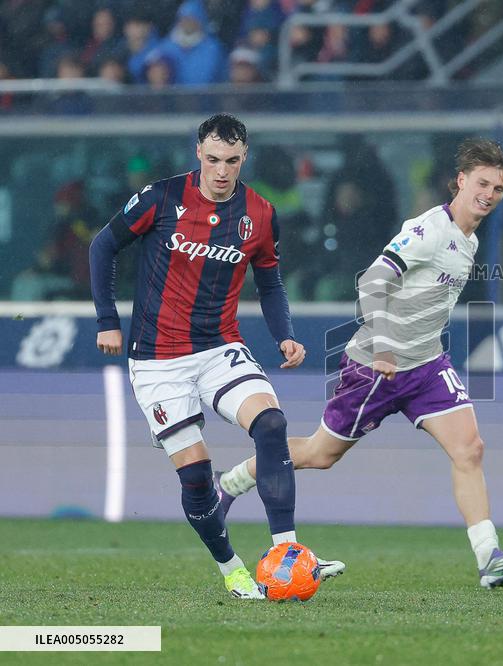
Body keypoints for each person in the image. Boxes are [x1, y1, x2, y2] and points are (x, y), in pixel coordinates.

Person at [217, 138, 503, 589]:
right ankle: (230, 482)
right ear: (461, 181)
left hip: (427, 364)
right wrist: (386, 347)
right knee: (319, 453)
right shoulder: (430, 229)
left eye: (499, 188)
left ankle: (490, 559)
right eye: (482, 183)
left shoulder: (467, 241)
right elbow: (372, 281)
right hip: (375, 367)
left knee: (470, 449)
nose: (489, 194)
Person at [89, 113, 343, 600]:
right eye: (212, 160)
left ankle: (286, 553)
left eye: (230, 160)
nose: (221, 171)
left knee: (270, 424)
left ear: (243, 157)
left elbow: (269, 281)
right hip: (158, 360)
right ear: (198, 155)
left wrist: (284, 334)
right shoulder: (160, 198)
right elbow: (103, 246)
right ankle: (232, 570)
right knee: (197, 477)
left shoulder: (260, 213)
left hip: (219, 347)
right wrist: (106, 320)